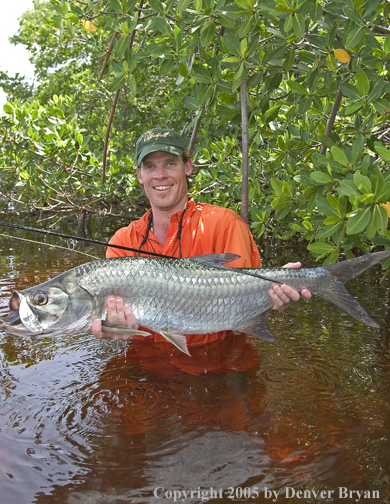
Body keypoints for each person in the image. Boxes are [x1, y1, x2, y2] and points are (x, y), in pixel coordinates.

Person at [91, 128, 311, 345]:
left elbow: (244, 300)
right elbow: (118, 324)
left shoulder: (225, 224)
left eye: (170, 163)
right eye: (150, 166)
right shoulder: (121, 242)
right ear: (140, 175)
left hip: (221, 362)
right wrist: (111, 326)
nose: (160, 175)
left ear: (187, 167)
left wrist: (275, 294)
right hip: (147, 366)